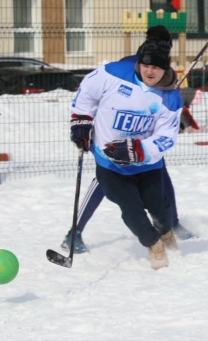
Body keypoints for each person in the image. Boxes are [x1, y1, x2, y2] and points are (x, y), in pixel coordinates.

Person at [70, 25, 183, 270]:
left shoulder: (170, 96)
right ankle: (154, 245)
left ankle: (165, 231)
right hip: (110, 163)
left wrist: (139, 150)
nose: (150, 71)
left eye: (156, 67)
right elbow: (87, 93)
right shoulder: (115, 73)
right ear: (139, 62)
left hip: (147, 165)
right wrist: (81, 122)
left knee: (160, 208)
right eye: (146, 65)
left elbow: (167, 136)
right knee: (131, 210)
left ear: (165, 67)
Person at [60, 166, 193, 254]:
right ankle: (75, 231)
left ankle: (171, 223)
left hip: (142, 133)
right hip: (111, 138)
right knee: (105, 178)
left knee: (159, 172)